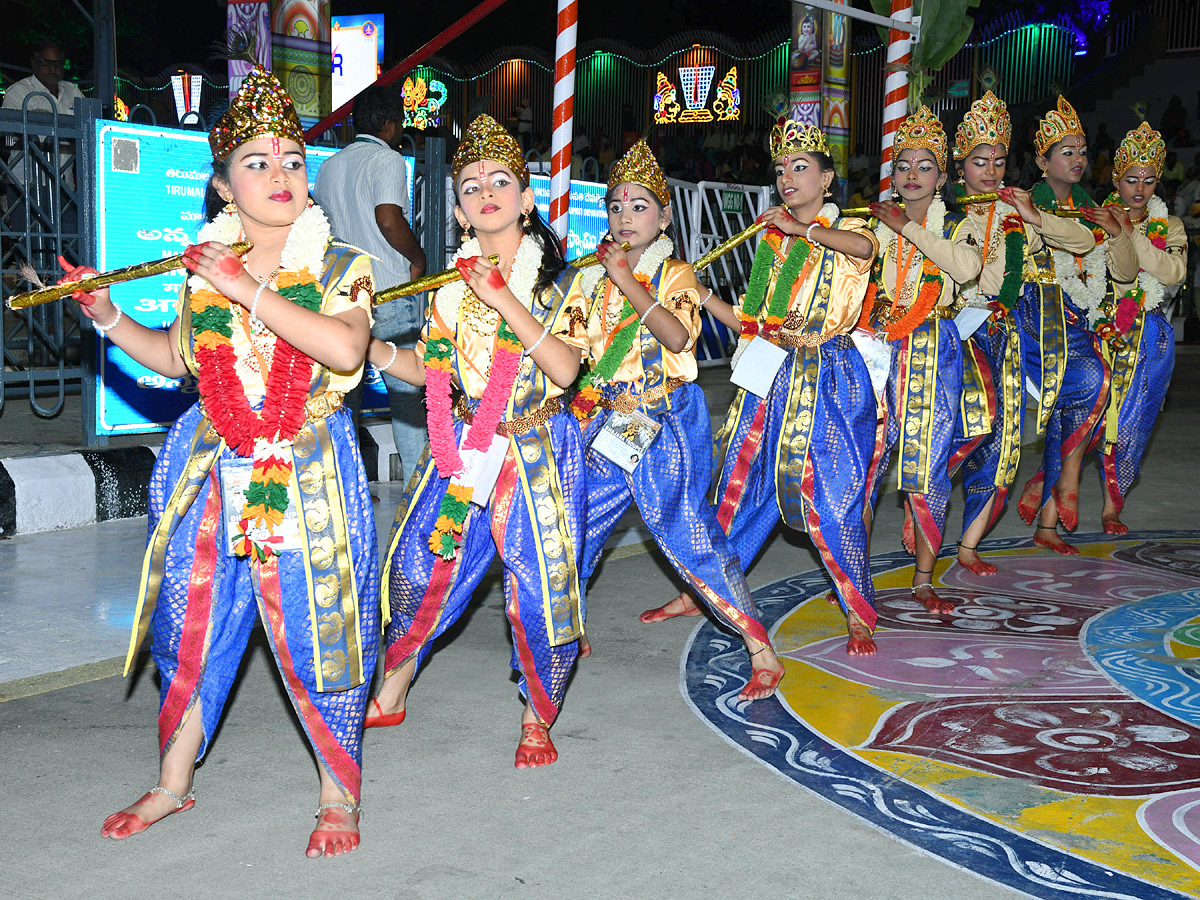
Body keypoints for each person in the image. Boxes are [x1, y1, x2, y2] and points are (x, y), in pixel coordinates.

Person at [60, 68, 378, 857]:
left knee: (318, 625)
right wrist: (108, 318)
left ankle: (338, 793)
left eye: (294, 161)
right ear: (222, 183)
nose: (281, 176)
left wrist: (247, 288)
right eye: (259, 163)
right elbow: (175, 362)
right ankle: (173, 781)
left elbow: (343, 346)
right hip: (210, 462)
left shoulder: (341, 265)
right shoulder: (202, 271)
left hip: (308, 467)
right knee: (190, 621)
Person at [363, 115, 587, 767]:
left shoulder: (565, 284)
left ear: (524, 196)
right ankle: (396, 685)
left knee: (539, 591)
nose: (484, 192)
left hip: (537, 448)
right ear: (460, 211)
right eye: (469, 186)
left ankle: (537, 713)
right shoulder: (451, 295)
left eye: (499, 181)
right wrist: (376, 350)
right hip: (465, 448)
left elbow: (569, 371)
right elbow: (435, 371)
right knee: (413, 568)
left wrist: (505, 299)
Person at [642, 120, 881, 655]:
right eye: (780, 169)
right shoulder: (774, 245)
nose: (787, 177)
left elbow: (863, 251)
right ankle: (705, 590)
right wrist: (700, 294)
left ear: (827, 180)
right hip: (774, 373)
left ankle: (857, 607)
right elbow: (753, 322)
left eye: (801, 167)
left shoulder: (852, 226)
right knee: (741, 488)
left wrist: (803, 231)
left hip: (830, 378)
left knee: (834, 496)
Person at [569, 139, 785, 689]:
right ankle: (567, 626)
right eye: (616, 205)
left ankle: (759, 644)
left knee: (688, 531)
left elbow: (677, 333)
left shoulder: (675, 274)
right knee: (577, 523)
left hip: (662, 419)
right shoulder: (589, 279)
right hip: (607, 419)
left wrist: (627, 281)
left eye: (639, 205)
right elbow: (572, 353)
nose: (624, 216)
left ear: (664, 218)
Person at [946, 92, 1097, 575]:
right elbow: (977, 277)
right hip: (958, 337)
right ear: (959, 167)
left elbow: (1084, 239)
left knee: (1005, 436)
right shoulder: (948, 216)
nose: (989, 172)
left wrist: (1033, 218)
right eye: (978, 162)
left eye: (996, 162)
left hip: (1008, 333)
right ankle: (920, 513)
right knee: (949, 437)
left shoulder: (1016, 209)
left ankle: (969, 543)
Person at [860, 106, 982, 613]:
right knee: (864, 464)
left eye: (924, 165)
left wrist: (909, 229)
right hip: (873, 345)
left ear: (943, 176)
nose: (912, 175)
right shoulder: (869, 221)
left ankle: (924, 579)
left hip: (933, 347)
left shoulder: (957, 223)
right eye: (903, 164)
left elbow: (968, 268)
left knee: (928, 464)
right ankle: (853, 574)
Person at [1015, 96, 1138, 554]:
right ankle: (1064, 478)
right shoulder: (1028, 205)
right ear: (1042, 162)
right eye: (1066, 151)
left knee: (1087, 400)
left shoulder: (1096, 207)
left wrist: (1119, 232)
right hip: (1038, 318)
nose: (1079, 159)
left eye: (1082, 151)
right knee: (1095, 379)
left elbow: (1123, 275)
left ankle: (1048, 520)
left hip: (1081, 320)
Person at [315, 82, 427, 483]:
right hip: (390, 291)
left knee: (345, 399)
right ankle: (419, 490)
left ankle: (348, 487)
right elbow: (388, 219)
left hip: (346, 297)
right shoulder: (388, 161)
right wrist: (418, 257)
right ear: (390, 126)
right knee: (406, 398)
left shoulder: (329, 166)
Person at [1094, 123, 1188, 533]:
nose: (1140, 189)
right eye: (1131, 179)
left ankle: (1111, 504)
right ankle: (1057, 495)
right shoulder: (1095, 218)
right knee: (1086, 417)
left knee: (1131, 423)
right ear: (1116, 179)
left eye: (1149, 181)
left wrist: (1132, 234)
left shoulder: (1171, 227)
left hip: (1147, 334)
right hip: (1100, 325)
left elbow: (1172, 272)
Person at [2, 41, 84, 191]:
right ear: (34, 63)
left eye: (58, 63)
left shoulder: (72, 91)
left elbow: (88, 126)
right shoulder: (19, 92)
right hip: (27, 183)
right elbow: (9, 138)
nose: (53, 68)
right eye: (47, 62)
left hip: (65, 185)